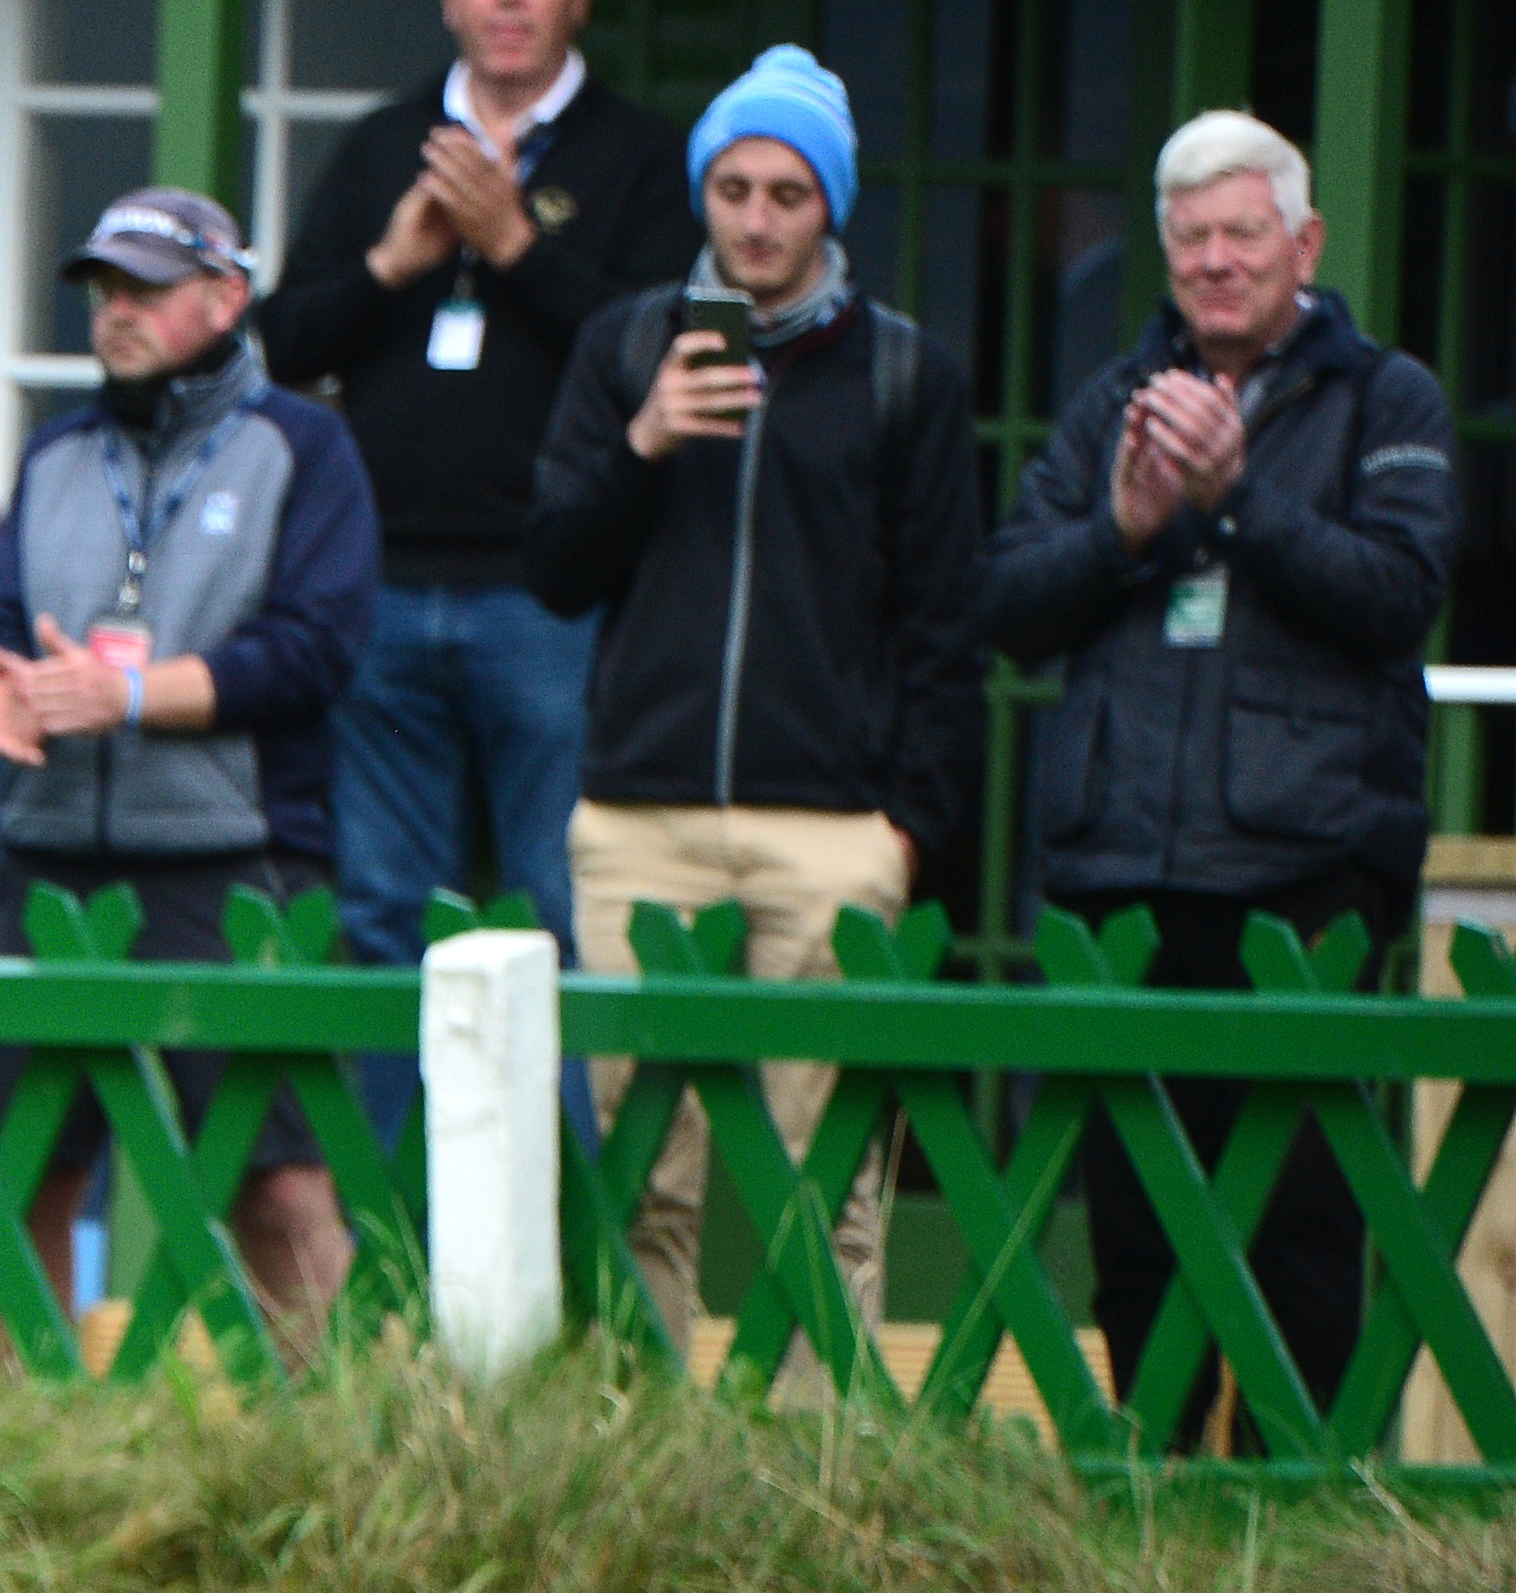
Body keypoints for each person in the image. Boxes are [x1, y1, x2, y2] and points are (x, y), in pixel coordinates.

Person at [982, 110, 1459, 1450]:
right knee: (1132, 1226)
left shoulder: (1385, 398)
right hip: (1119, 869)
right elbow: (1004, 602)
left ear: (1300, 243)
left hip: (1302, 875)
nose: (1211, 262)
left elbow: (1395, 597)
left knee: (1300, 1227)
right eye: (1186, 238)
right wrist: (1126, 529)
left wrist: (1237, 496)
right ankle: (1149, 1525)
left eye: (1239, 234)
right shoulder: (1105, 403)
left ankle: (1299, 1524)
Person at [525, 45, 980, 1357]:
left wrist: (905, 826)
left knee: (820, 1177)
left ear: (827, 202)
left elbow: (945, 625)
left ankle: (814, 1468)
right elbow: (551, 570)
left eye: (786, 192)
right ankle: (638, 1451)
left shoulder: (902, 375)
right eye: (730, 189)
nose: (756, 220)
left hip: (826, 828)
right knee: (636, 1172)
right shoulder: (622, 347)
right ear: (700, 197)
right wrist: (642, 445)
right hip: (638, 817)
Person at [0, 187, 380, 1348]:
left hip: (235, 858)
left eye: (146, 287)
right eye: (105, 289)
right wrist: (3, 691)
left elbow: (316, 652)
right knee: (21, 1180)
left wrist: (132, 698)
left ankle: (328, 1449)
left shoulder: (304, 447)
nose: (117, 312)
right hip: (47, 858)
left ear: (226, 296)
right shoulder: (56, 454)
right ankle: (7, 1468)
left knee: (281, 1179)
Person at [264, 0, 697, 994]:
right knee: (383, 912)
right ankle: (395, 1156)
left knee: (564, 908)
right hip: (381, 585)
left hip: (551, 596)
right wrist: (388, 269)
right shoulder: (385, 143)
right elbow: (285, 340)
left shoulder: (637, 157)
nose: (509, 7)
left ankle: (563, 1157)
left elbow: (665, 359)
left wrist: (515, 245)